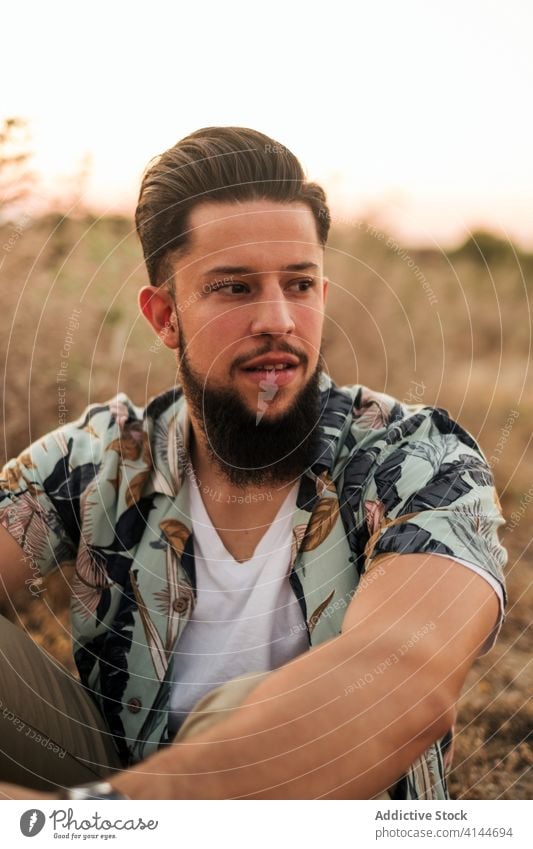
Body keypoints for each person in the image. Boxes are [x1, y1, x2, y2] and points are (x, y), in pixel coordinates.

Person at [0, 127, 507, 800]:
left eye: (298, 284)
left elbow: (403, 680)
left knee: (241, 708)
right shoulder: (100, 458)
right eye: (234, 288)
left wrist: (104, 821)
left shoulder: (415, 458)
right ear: (165, 316)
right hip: (122, 786)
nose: (278, 318)